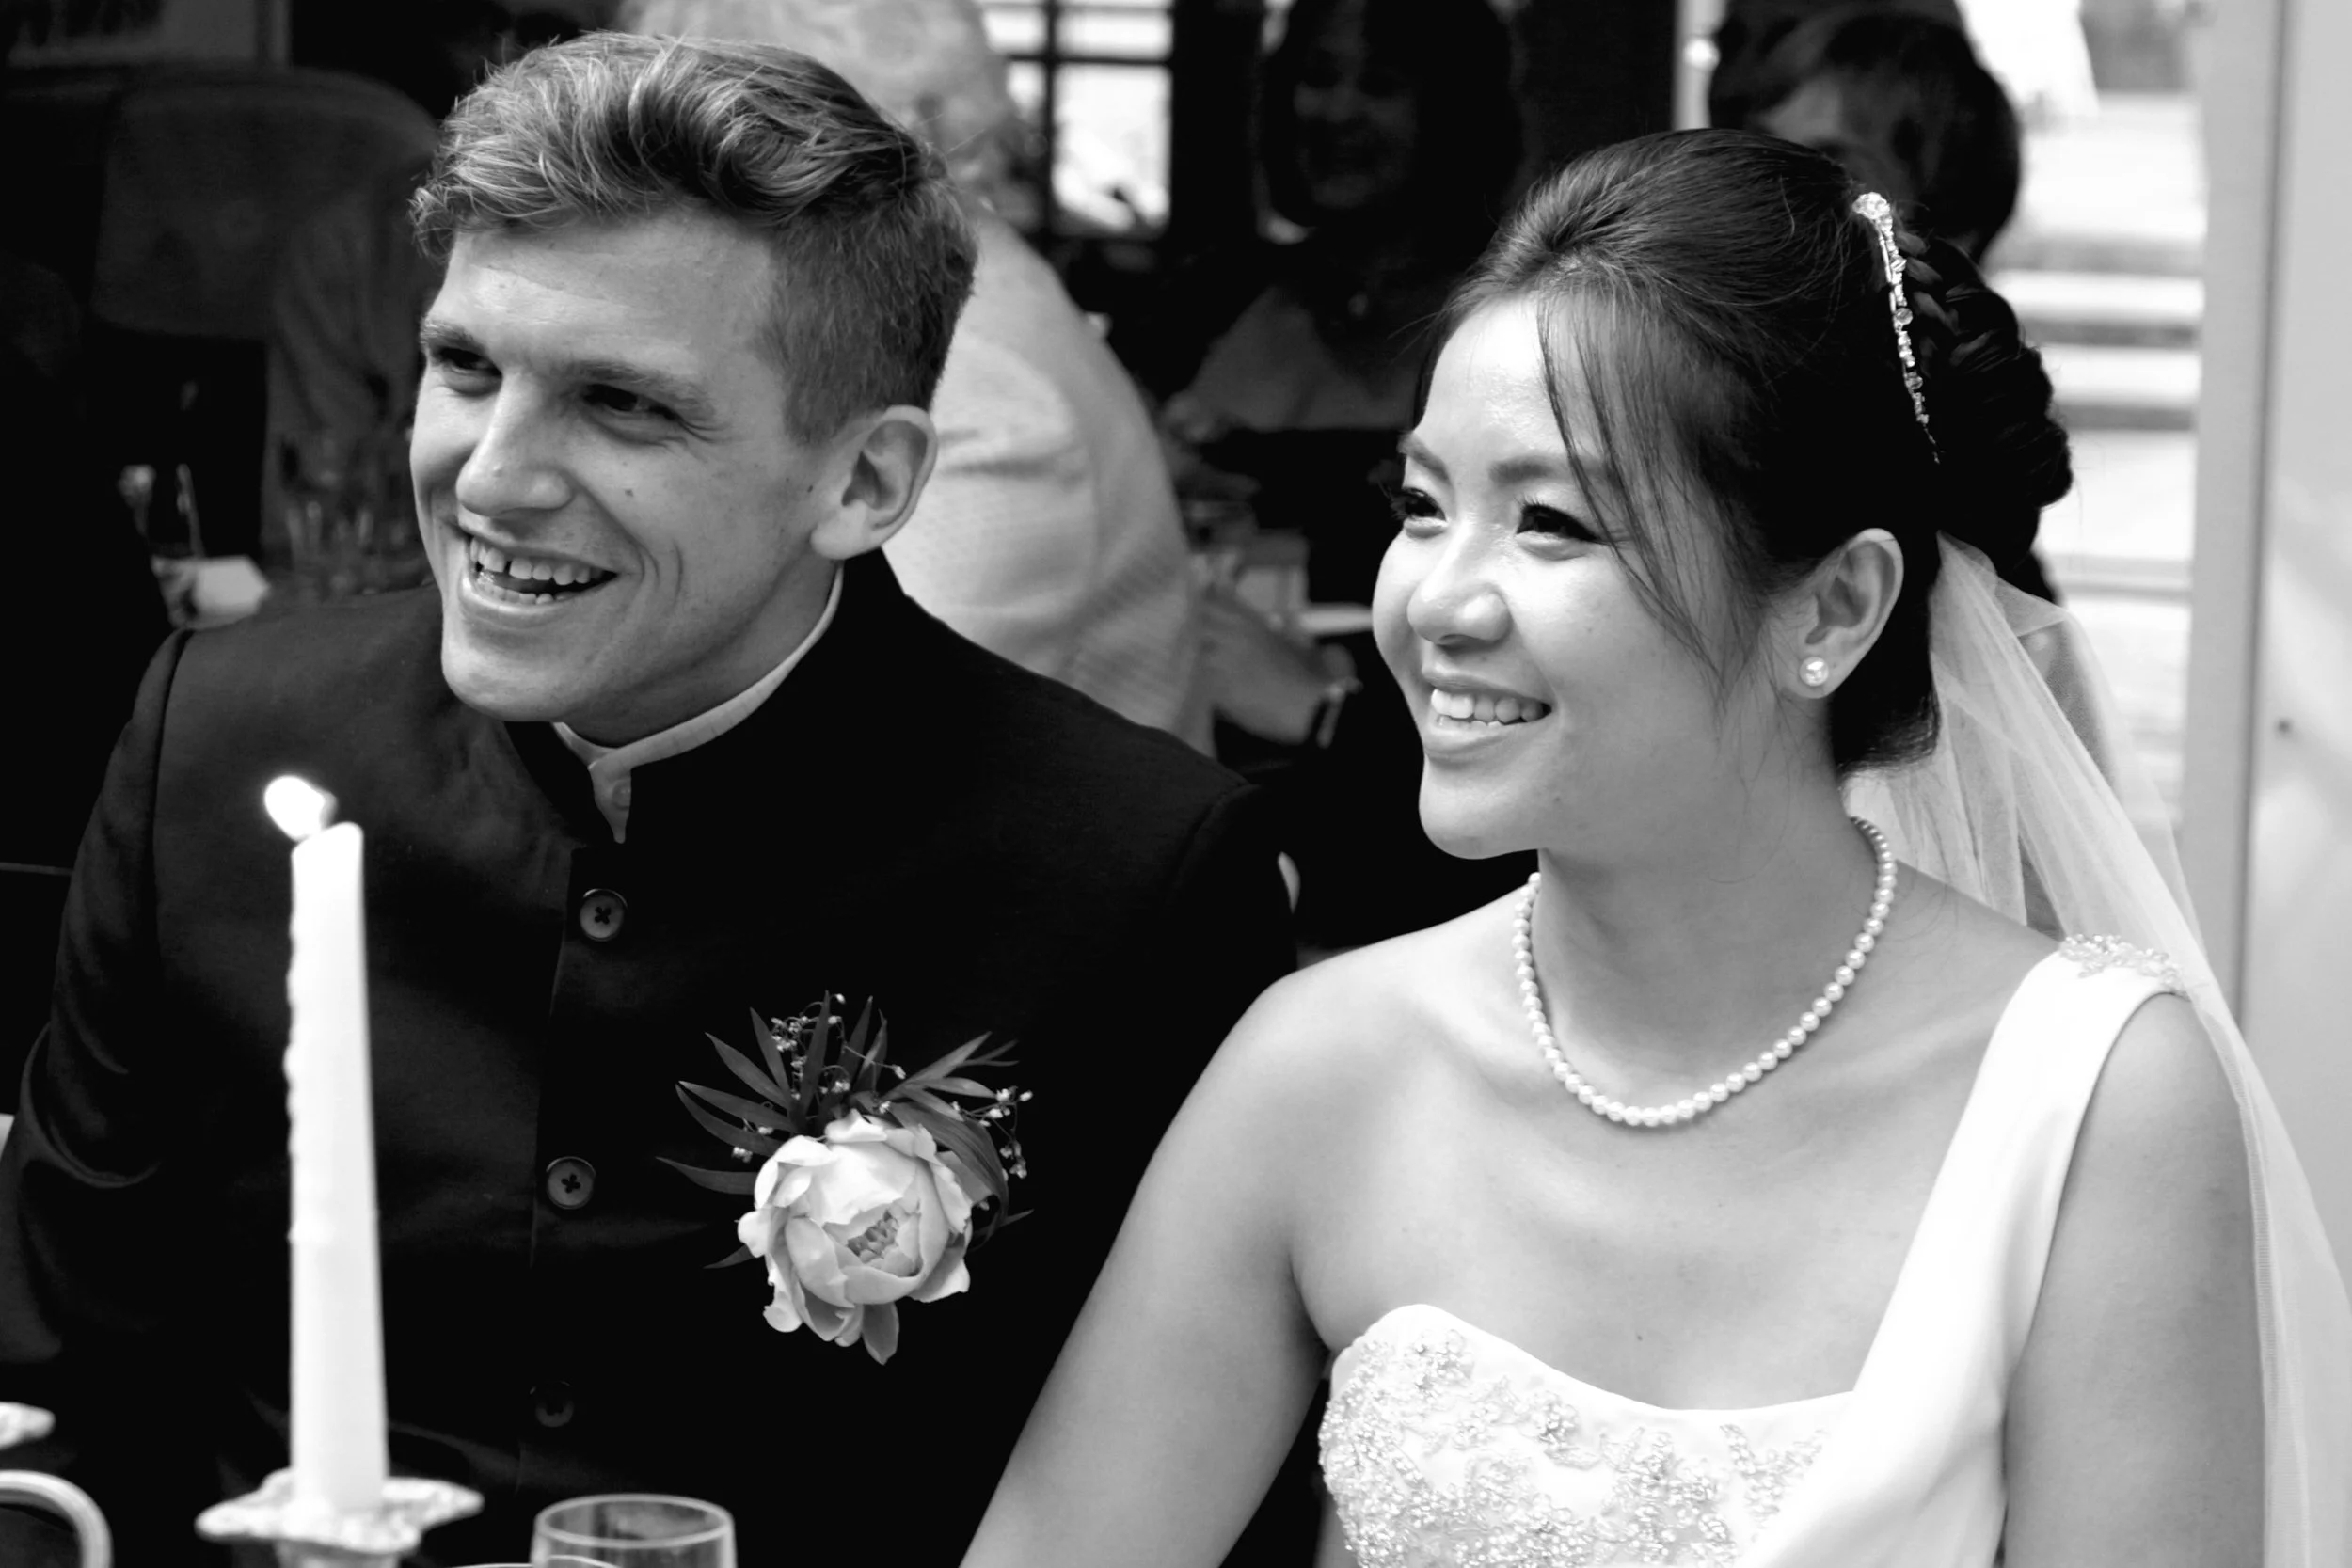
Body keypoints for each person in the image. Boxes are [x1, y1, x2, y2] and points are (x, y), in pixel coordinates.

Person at [962, 132, 2352, 1568]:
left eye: (1551, 521)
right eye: (1424, 505)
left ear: (1830, 610)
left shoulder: (2094, 1100)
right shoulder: (1321, 1067)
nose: (1438, 598)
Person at [0, 35, 1292, 1568]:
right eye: (466, 368)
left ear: (866, 484)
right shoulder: (217, 743)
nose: (493, 477)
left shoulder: (1130, 869)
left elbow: (1175, 1490)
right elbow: (57, 1387)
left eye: (620, 406)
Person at [617, 0, 1213, 748]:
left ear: (904, 135)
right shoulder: (923, 300)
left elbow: (864, 750)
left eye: (734, 154)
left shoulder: (984, 382)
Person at [1119, 0, 1532, 947]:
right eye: (1316, 74)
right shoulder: (1202, 300)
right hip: (1200, 781)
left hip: (1421, 818)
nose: (1335, 110)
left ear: (1455, 112)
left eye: (1379, 84)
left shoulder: (1506, 323)